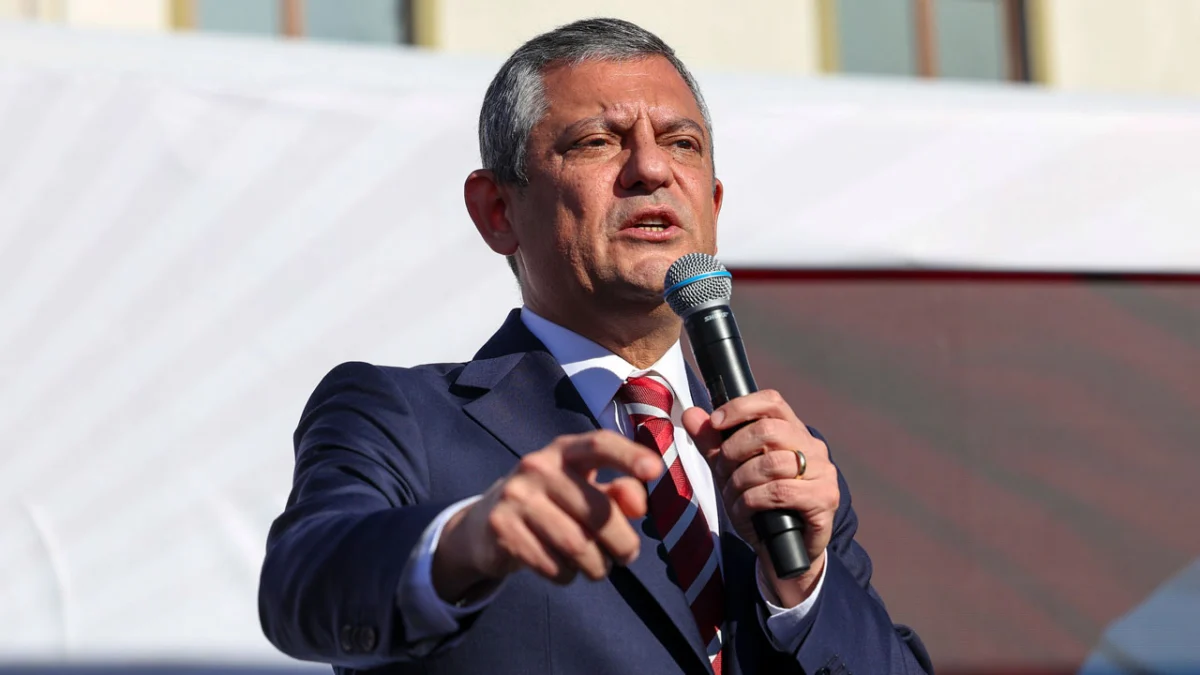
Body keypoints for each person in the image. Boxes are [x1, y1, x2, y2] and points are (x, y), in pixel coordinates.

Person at [258, 17, 932, 675]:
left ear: (714, 205)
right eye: (596, 142)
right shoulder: (401, 416)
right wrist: (464, 540)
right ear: (497, 210)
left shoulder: (783, 465)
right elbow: (301, 587)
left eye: (682, 143)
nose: (651, 169)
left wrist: (804, 588)